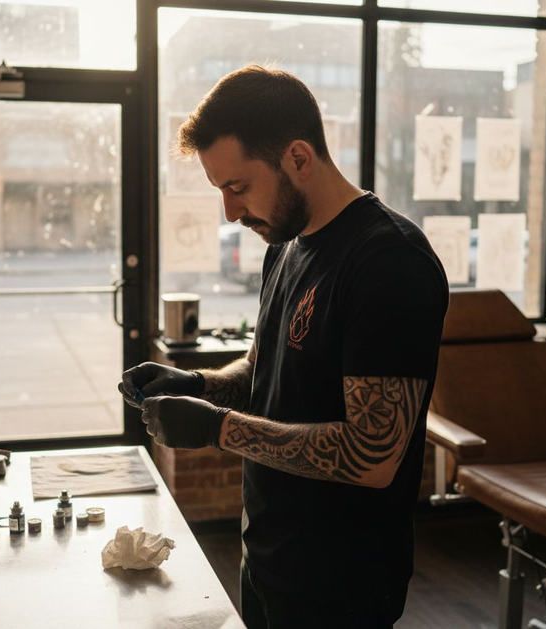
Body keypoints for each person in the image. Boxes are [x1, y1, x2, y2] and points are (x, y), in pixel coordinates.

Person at [119, 65, 448, 628]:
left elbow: (373, 456)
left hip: (341, 584)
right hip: (268, 555)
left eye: (238, 187)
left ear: (298, 158)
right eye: (221, 191)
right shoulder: (285, 246)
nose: (229, 212)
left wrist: (216, 427)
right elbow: (265, 370)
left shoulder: (387, 261)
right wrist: (196, 385)